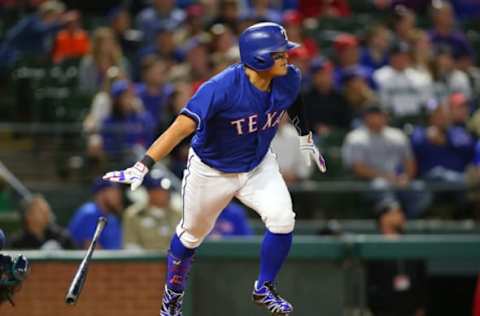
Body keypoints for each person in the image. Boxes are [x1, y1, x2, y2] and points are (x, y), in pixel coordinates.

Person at [103, 22, 326, 316]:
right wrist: (143, 165)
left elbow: (294, 103)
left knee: (283, 218)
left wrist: (305, 138)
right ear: (259, 58)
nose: (287, 57)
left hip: (258, 165)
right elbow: (179, 128)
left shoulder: (289, 78)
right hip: (212, 170)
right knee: (191, 235)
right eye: (279, 53)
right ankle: (172, 296)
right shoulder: (220, 89)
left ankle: (264, 287)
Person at [367, 202, 428, 316]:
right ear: (383, 218)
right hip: (383, 309)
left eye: (401, 212)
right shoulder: (374, 248)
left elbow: (421, 280)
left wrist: (420, 306)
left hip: (409, 308)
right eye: (396, 212)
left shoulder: (412, 246)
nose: (401, 216)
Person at [123, 172, 182, 251]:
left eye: (165, 191)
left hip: (173, 260)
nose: (163, 194)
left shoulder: (178, 214)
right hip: (144, 261)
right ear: (149, 192)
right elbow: (131, 245)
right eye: (158, 191)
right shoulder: (134, 214)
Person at [68, 177, 123, 250]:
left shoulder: (112, 218)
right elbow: (91, 250)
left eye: (118, 191)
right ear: (100, 194)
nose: (118, 195)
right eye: (113, 191)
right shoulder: (89, 213)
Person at [8, 195, 76, 250]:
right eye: (40, 210)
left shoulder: (62, 237)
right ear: (28, 215)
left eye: (47, 209)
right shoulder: (17, 242)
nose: (46, 213)